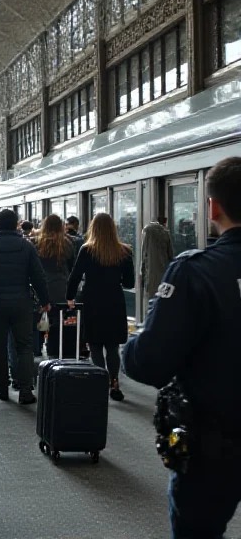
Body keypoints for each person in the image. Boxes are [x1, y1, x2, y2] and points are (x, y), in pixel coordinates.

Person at [122, 157, 241, 538]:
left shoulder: (195, 271)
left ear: (213, 207)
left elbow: (149, 363)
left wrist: (131, 345)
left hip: (214, 451)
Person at [0, 209, 50, 404]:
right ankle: (26, 390)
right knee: (24, 347)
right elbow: (38, 276)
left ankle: (2, 388)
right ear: (16, 225)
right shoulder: (27, 247)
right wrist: (45, 301)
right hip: (22, 303)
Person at [66, 213, 134, 402]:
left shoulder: (87, 250)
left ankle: (100, 381)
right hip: (115, 301)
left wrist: (70, 297)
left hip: (92, 300)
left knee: (95, 344)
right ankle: (114, 383)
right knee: (113, 346)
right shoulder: (125, 251)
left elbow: (75, 276)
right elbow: (129, 283)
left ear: (92, 229)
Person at [33, 215, 75, 357]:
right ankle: (54, 348)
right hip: (60, 287)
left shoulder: (36, 243)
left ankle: (37, 348)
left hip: (40, 286)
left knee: (39, 317)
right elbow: (71, 267)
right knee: (57, 320)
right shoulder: (68, 243)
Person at [140, 216, 174, 309]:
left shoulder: (147, 232)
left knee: (152, 304)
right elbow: (171, 255)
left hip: (151, 276)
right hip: (165, 275)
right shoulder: (166, 233)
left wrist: (142, 275)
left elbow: (144, 257)